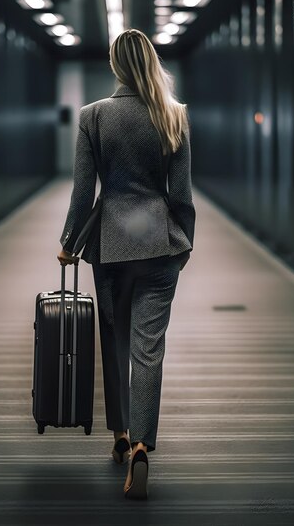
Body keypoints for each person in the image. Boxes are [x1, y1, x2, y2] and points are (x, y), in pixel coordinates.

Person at [57, 28, 196, 500]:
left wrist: (68, 242)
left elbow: (83, 193)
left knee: (114, 341)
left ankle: (118, 434)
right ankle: (139, 444)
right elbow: (182, 197)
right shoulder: (172, 115)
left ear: (116, 66)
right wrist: (185, 244)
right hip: (160, 243)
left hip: (111, 247)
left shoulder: (93, 116)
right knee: (148, 349)